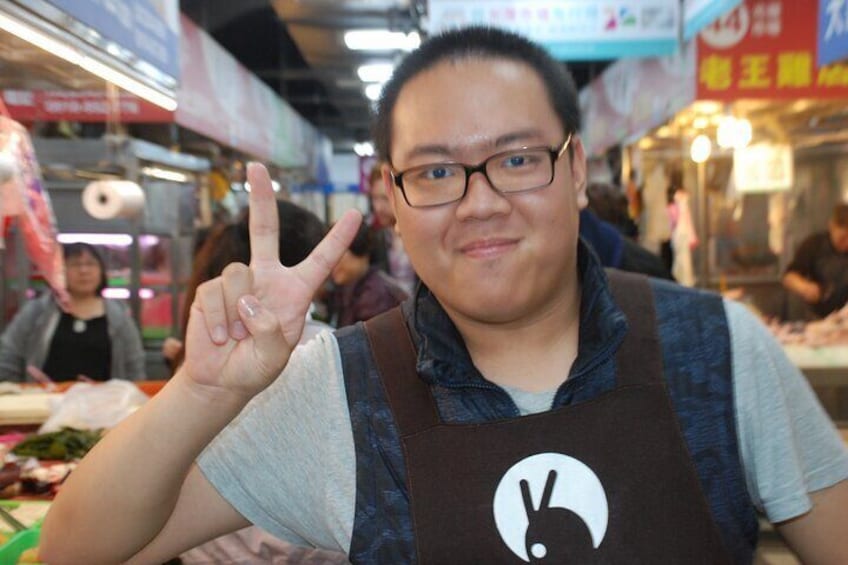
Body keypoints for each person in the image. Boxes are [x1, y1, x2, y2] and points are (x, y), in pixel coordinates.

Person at [42, 26, 848, 564]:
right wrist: (201, 392)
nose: (480, 200)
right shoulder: (336, 390)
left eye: (518, 158)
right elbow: (76, 550)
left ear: (575, 168)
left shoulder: (718, 348)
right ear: (391, 198)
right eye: (434, 172)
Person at [0, 242, 144, 382]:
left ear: (101, 271)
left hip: (105, 404)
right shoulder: (37, 311)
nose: (84, 270)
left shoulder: (119, 317)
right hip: (43, 402)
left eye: (90, 264)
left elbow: (134, 368)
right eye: (75, 264)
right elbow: (9, 356)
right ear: (60, 271)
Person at [328, 221, 408, 327]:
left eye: (336, 252)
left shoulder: (375, 296)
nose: (330, 261)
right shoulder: (348, 286)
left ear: (358, 248)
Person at [783, 203, 848, 319]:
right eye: (842, 238)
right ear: (832, 226)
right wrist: (804, 287)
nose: (847, 243)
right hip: (816, 318)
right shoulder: (814, 245)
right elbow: (789, 276)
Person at [367, 162, 417, 295]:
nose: (378, 207)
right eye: (374, 198)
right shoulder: (376, 238)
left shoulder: (421, 233)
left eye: (384, 198)